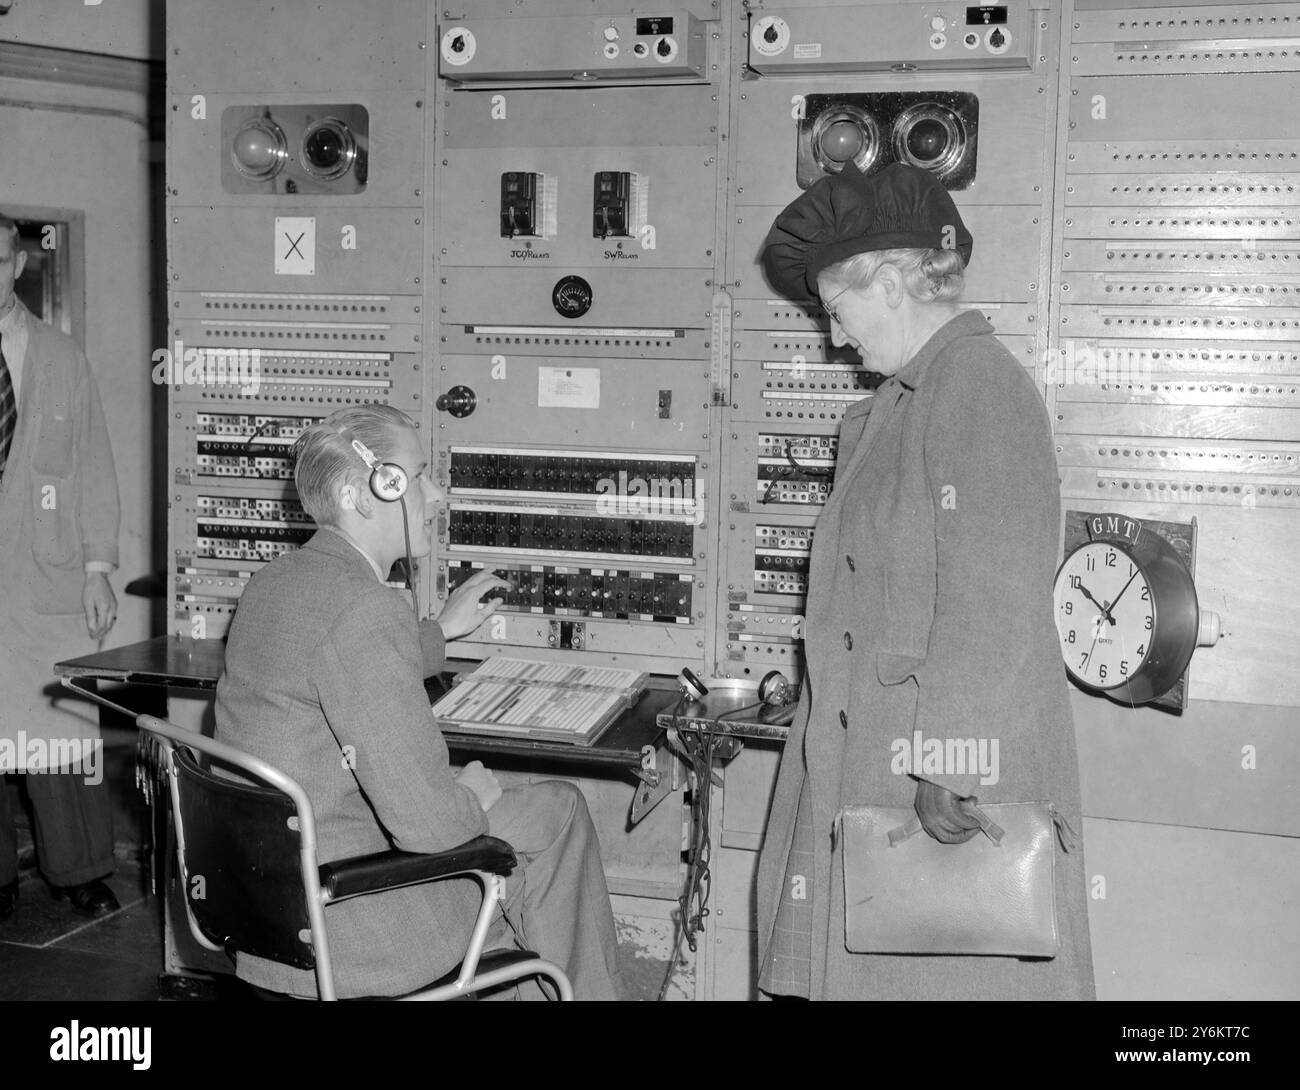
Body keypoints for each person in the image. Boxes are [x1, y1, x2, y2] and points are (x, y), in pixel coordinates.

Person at [754, 163, 1094, 1000]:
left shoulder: (976, 386)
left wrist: (951, 758)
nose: (834, 339)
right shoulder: (895, 405)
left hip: (931, 767)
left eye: (837, 311)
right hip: (866, 754)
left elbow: (998, 593)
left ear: (896, 280)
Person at [214, 403, 625, 999]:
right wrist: (472, 798)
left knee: (495, 811)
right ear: (364, 492)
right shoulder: (365, 609)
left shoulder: (274, 583)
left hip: (267, 917)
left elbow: (332, 650)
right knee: (557, 810)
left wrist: (439, 632)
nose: (435, 496)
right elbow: (427, 826)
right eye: (418, 475)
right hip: (358, 926)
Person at [0, 213, 121, 920]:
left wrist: (98, 566)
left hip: (46, 571)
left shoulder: (61, 356)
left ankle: (79, 871)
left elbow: (94, 467)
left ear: (17, 266)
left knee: (59, 724)